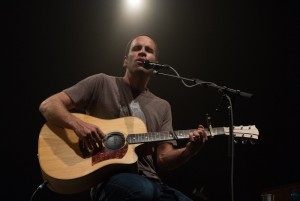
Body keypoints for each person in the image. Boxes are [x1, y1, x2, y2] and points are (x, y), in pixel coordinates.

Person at [39, 34, 208, 201]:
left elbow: (164, 159)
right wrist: (78, 125)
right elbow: (48, 105)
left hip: (153, 182)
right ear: (125, 60)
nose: (142, 53)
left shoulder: (162, 106)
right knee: (143, 191)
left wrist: (188, 152)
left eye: (148, 50)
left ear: (155, 64)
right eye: (137, 49)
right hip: (110, 179)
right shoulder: (101, 83)